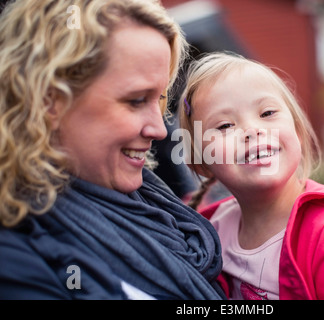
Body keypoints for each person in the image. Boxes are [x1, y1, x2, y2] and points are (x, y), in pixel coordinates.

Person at [0, 0, 225, 300]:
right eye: (135, 101)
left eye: (158, 100)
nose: (159, 130)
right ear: (48, 99)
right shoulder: (17, 251)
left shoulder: (158, 208)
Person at [178, 52, 324, 300]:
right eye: (225, 126)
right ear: (202, 163)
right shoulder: (208, 233)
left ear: (297, 133)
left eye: (267, 113)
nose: (252, 130)